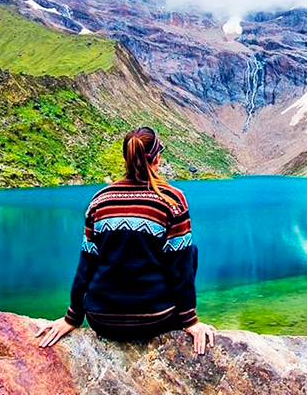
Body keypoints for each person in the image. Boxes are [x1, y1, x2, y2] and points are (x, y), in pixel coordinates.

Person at [36, 126, 216, 354]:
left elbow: (86, 264)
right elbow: (179, 267)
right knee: (188, 251)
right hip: (154, 319)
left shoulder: (100, 199)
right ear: (157, 158)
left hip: (101, 318)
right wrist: (190, 321)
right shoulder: (172, 199)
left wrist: (72, 318)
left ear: (125, 157)